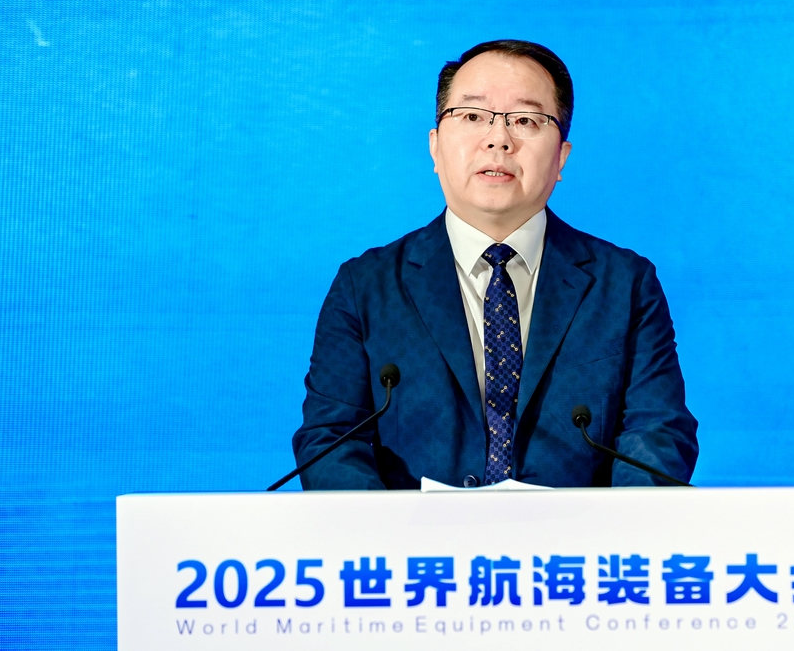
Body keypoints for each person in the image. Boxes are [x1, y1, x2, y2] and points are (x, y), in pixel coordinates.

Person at [293, 40, 698, 489]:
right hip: (412, 535)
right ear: (435, 147)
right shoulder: (366, 287)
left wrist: (614, 528)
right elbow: (332, 441)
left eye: (525, 120)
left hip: (576, 535)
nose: (498, 139)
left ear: (561, 157)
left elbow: (657, 433)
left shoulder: (624, 285)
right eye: (472, 116)